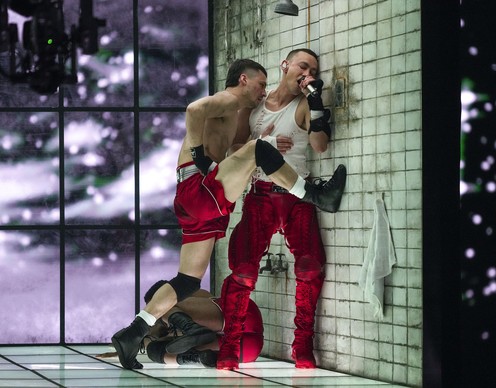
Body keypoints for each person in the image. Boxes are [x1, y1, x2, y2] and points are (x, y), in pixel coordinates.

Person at [111, 58, 346, 370]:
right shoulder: (230, 98)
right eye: (261, 84)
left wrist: (254, 145)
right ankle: (317, 195)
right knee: (259, 150)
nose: (264, 92)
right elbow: (193, 110)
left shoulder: (235, 113)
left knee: (187, 282)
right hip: (199, 187)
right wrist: (202, 152)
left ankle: (132, 333)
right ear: (244, 80)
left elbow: (233, 153)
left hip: (195, 193)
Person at [217, 49, 337, 370]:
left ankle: (302, 345)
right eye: (302, 65)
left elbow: (320, 145)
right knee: (242, 269)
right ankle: (229, 346)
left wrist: (315, 100)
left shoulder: (303, 106)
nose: (306, 72)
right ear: (285, 65)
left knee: (310, 268)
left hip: (297, 196)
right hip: (261, 195)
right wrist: (263, 144)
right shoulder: (255, 104)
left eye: (312, 69)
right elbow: (234, 148)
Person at [99, 286, 264, 368]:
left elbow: (162, 307)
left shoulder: (193, 297)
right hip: (243, 349)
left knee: (164, 307)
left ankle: (193, 341)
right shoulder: (159, 337)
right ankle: (195, 357)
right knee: (153, 350)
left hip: (242, 319)